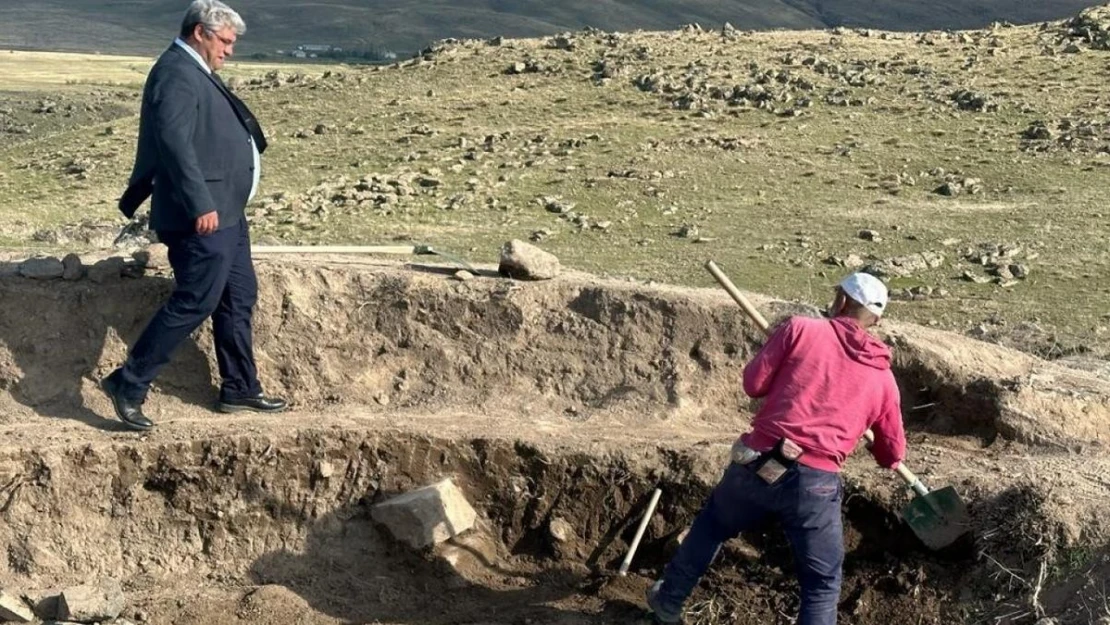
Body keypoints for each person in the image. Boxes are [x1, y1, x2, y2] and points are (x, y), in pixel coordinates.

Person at [646, 272, 907, 625]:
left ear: (842, 301)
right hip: (814, 485)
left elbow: (754, 384)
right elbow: (891, 456)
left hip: (759, 461)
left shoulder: (801, 329)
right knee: (821, 584)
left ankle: (668, 601)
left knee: (711, 527)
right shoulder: (884, 379)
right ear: (875, 319)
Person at [102, 0, 284, 431]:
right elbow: (174, 144)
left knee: (238, 297)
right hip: (201, 215)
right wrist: (200, 202)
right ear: (200, 32)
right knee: (197, 298)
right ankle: (129, 383)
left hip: (228, 214)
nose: (229, 51)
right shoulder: (175, 73)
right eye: (225, 41)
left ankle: (239, 387)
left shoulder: (195, 71)